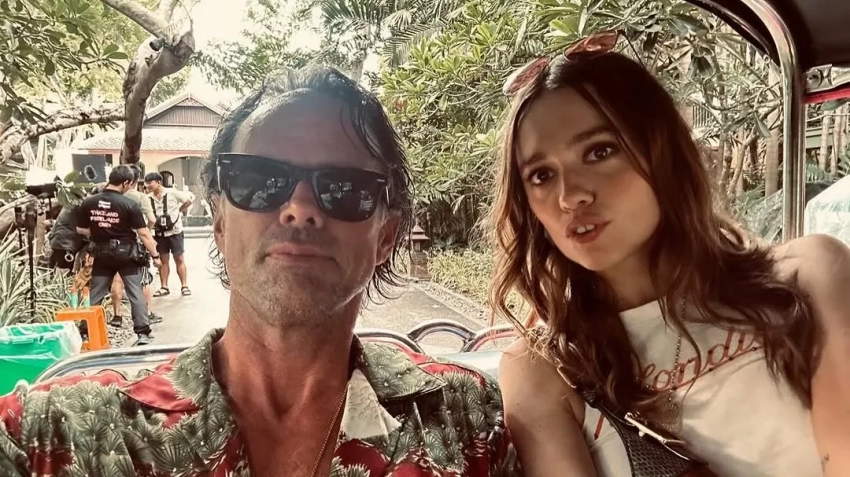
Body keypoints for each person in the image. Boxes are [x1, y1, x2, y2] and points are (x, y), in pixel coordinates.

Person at [0, 66, 521, 476]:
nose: (299, 208)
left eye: (344, 188)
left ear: (387, 235)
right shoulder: (62, 430)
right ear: (219, 221)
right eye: (259, 180)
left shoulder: (469, 418)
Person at [490, 32, 850, 477]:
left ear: (661, 153)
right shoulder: (544, 370)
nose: (571, 196)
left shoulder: (808, 276)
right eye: (541, 175)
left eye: (600, 151)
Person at [74, 165, 162, 346]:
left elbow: (80, 229)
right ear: (126, 182)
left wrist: (100, 230)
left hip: (102, 254)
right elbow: (144, 233)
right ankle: (143, 333)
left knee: (96, 293)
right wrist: (155, 255)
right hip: (126, 255)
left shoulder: (89, 203)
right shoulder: (129, 204)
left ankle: (85, 332)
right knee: (135, 292)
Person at [108, 163, 162, 327]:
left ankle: (117, 316)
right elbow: (152, 219)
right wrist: (147, 232)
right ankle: (147, 313)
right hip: (136, 243)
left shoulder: (112, 196)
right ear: (136, 180)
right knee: (143, 279)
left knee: (117, 279)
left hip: (114, 242)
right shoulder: (140, 198)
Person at [145, 170, 194, 297]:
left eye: (150, 182)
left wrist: (179, 210)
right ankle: (164, 287)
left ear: (159, 182)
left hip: (175, 231)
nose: (148, 185)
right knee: (163, 260)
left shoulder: (172, 192)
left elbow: (189, 200)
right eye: (147, 183)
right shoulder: (148, 198)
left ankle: (184, 286)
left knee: (179, 258)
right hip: (159, 233)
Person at [45, 202, 83, 273]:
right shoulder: (81, 204)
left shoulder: (72, 202)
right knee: (62, 272)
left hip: (59, 240)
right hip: (65, 243)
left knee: (55, 272)